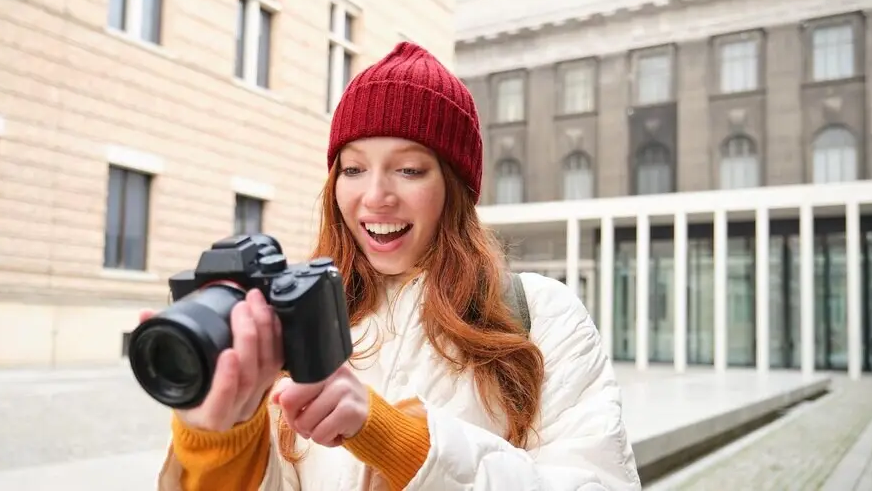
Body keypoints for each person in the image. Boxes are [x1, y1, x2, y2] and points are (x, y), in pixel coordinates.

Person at [147, 41, 642, 491]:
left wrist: (399, 441)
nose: (376, 196)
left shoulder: (542, 314)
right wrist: (220, 444)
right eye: (354, 169)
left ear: (455, 187)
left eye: (409, 169)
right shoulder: (295, 316)